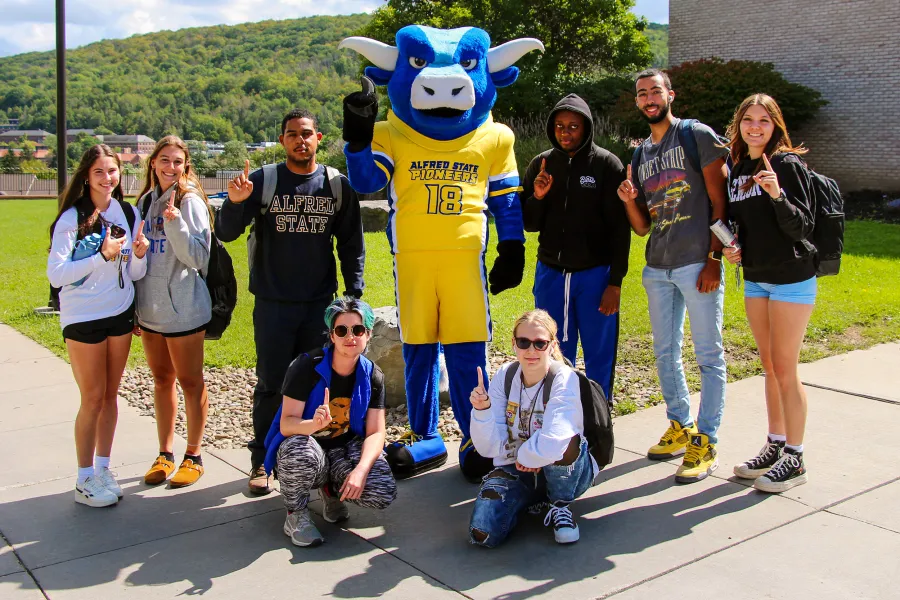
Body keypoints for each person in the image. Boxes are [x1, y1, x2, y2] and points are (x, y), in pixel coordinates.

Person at [215, 109, 365, 494]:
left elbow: (351, 244)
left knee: (319, 384)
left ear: (319, 138)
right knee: (270, 384)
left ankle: (314, 461)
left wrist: (354, 293)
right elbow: (227, 233)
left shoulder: (336, 185)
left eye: (307, 134)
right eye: (292, 134)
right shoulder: (264, 181)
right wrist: (234, 203)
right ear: (282, 140)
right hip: (273, 304)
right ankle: (261, 463)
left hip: (319, 305)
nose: (300, 140)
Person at [617, 68, 729, 483]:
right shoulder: (640, 154)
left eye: (655, 91)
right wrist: (629, 200)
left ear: (670, 95)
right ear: (637, 102)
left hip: (696, 262)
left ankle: (708, 439)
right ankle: (680, 426)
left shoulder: (695, 135)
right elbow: (644, 226)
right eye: (641, 93)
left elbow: (722, 202)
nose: (649, 98)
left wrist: (714, 258)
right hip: (657, 266)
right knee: (665, 353)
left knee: (709, 356)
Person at [723, 94, 816, 493]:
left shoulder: (785, 164)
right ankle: (775, 444)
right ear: (739, 124)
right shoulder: (738, 167)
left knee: (786, 366)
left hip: (792, 277)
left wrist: (778, 194)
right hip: (757, 276)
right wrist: (733, 246)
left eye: (764, 120)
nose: (755, 127)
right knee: (769, 366)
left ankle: (795, 458)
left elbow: (802, 227)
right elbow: (743, 223)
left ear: (775, 125)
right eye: (749, 119)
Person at [47, 144, 149, 507]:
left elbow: (135, 272)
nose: (108, 178)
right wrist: (99, 256)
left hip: (118, 314)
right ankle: (84, 478)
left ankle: (104, 468)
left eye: (113, 171)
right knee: (91, 398)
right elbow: (57, 275)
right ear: (87, 177)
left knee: (109, 396)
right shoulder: (72, 218)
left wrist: (137, 255)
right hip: (83, 317)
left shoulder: (127, 212)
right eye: (100, 172)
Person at [521, 94, 631, 400]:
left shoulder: (607, 165)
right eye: (559, 125)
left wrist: (615, 282)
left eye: (573, 126)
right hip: (551, 274)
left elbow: (620, 228)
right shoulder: (542, 165)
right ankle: (553, 410)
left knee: (599, 351)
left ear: (587, 129)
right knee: (551, 348)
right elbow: (529, 223)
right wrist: (538, 197)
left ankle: (599, 415)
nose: (565, 132)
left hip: (595, 275)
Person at [263, 297, 397, 547]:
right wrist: (313, 425)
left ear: (368, 335)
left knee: (381, 491)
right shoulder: (306, 367)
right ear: (332, 335)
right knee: (299, 451)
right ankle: (296, 514)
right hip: (306, 446)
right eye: (341, 330)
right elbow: (287, 424)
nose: (350, 336)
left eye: (357, 330)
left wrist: (360, 471)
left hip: (343, 449)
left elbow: (376, 432)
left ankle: (331, 491)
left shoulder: (372, 375)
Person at [468, 310, 596, 547]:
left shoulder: (564, 378)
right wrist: (482, 410)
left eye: (540, 343)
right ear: (514, 343)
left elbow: (556, 438)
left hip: (568, 470)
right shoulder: (506, 376)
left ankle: (560, 505)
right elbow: (488, 448)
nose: (531, 350)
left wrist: (528, 456)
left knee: (566, 441)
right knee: (482, 533)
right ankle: (533, 497)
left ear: (552, 345)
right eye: (524, 342)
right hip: (519, 466)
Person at [135, 136, 212, 488]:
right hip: (151, 310)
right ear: (153, 163)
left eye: (177, 161)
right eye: (164, 160)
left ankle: (193, 454)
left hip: (183, 309)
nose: (170, 167)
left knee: (191, 382)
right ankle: (164, 453)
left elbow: (198, 257)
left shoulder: (190, 201)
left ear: (186, 165)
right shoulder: (146, 202)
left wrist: (176, 224)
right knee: (161, 380)